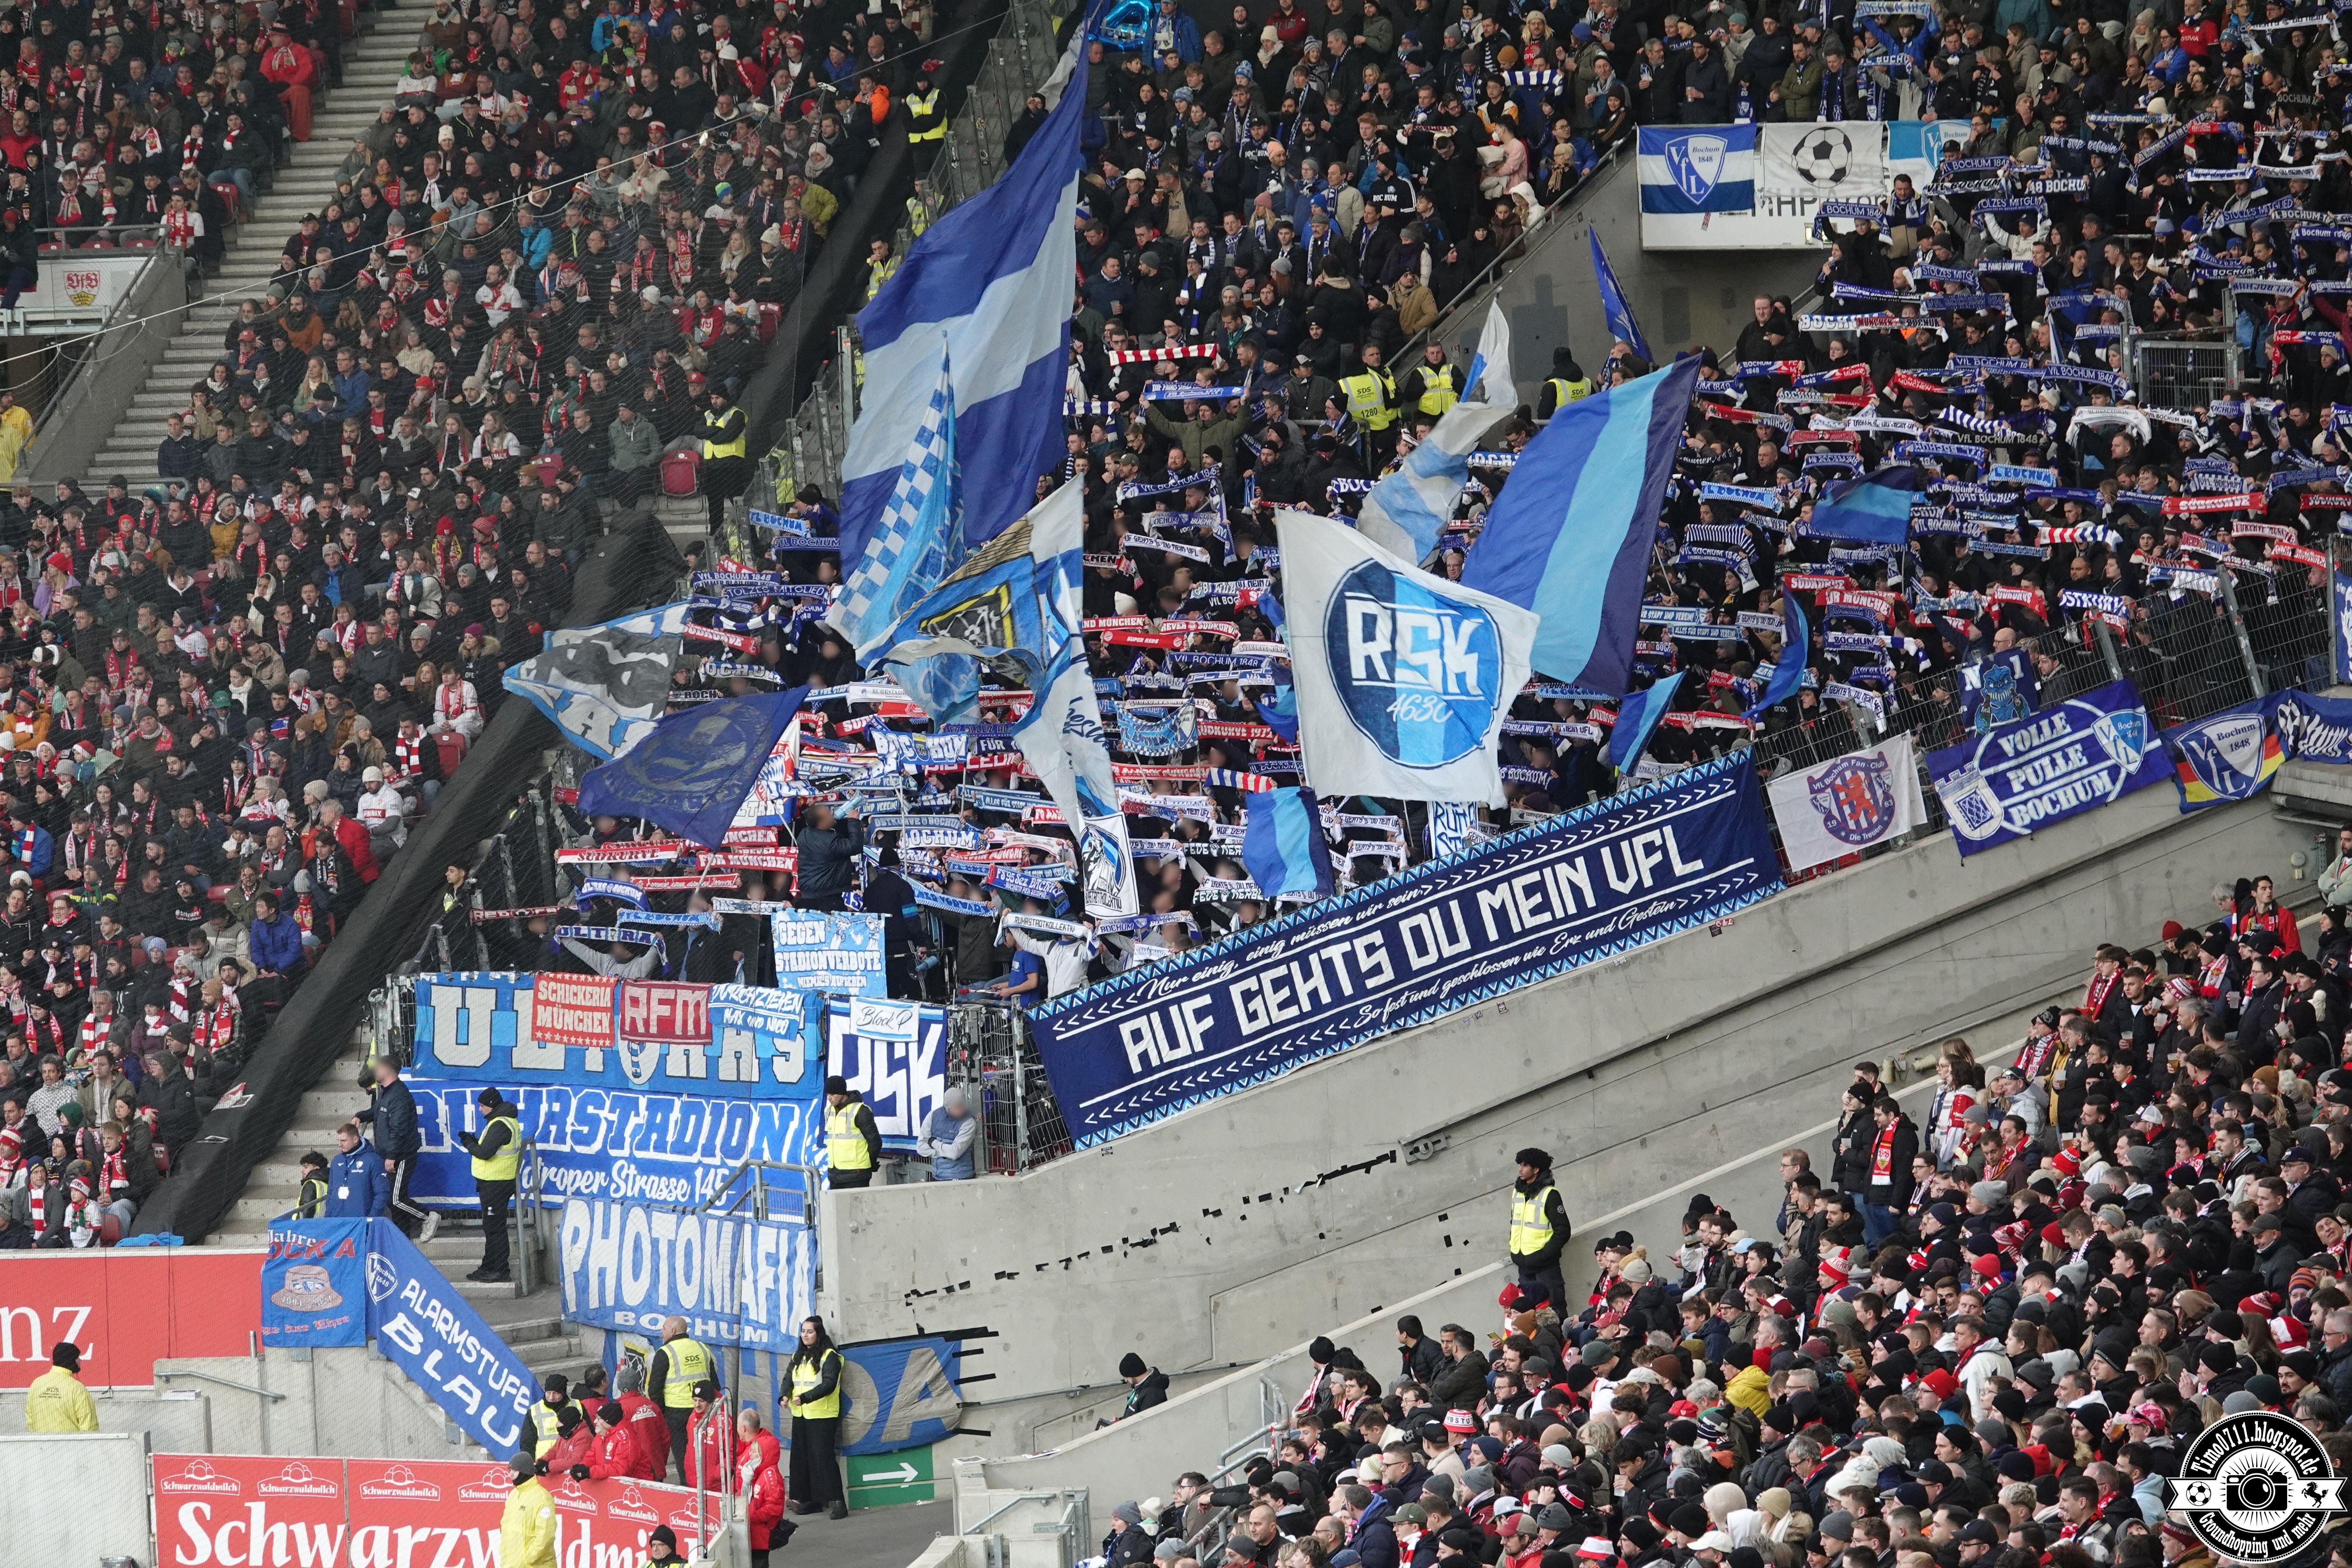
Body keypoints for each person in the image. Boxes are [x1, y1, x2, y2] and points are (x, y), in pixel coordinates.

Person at [355, 1054, 428, 1238]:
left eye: (378, 1067)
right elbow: (377, 1112)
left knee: (395, 1198)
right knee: (392, 1199)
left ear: (388, 1069)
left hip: (401, 1155)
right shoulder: (386, 1092)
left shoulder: (400, 1096)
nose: (375, 1071)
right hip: (389, 1154)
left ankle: (428, 1217)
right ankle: (402, 1236)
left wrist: (393, 1155)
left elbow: (400, 1129)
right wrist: (361, 1116)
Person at [453, 1087, 520, 1283]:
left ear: (491, 1105)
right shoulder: (501, 1121)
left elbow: (484, 1153)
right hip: (495, 1181)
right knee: (491, 1227)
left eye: (482, 1106)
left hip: (496, 1183)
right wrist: (474, 1141)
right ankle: (489, 1266)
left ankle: (500, 1270)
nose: (480, 1110)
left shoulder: (500, 1124)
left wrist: (468, 1142)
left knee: (495, 1228)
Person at [784, 1314, 848, 1519]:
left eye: (810, 1331)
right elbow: (789, 1379)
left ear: (818, 1333)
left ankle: (838, 1502)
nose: (805, 1335)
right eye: (803, 1331)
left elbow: (829, 1384)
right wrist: (784, 1396)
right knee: (801, 1458)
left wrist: (807, 1397)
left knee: (824, 1458)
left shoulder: (830, 1356)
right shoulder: (798, 1356)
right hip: (801, 1414)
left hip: (822, 1415)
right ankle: (810, 1501)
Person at [648, 1315, 714, 1481]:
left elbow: (654, 1389)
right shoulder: (702, 1348)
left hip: (676, 1414)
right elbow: (715, 1383)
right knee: (707, 1453)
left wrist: (663, 1413)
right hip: (705, 1411)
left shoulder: (665, 1352)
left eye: (663, 1328)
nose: (661, 1333)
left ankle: (689, 1492)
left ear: (673, 1331)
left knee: (683, 1457)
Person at [1505, 1145, 1569, 1313]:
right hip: (1523, 1264)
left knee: (1554, 1308)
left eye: (1525, 1165)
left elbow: (1563, 1230)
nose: (1520, 1169)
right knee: (1527, 1312)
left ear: (1536, 1169)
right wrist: (1515, 1252)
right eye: (1520, 1165)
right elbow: (1515, 1224)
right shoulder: (1517, 1193)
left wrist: (1543, 1256)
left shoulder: (1550, 1194)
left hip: (1545, 1265)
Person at [499, 1454, 558, 1568]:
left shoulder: (542, 1498)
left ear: (524, 1472)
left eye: (515, 1471)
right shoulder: (513, 1496)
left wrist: (529, 1558)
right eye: (510, 1470)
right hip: (512, 1564)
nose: (511, 1474)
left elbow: (546, 1535)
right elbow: (506, 1528)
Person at [24, 1341, 96, 1431]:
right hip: (72, 1444)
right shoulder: (77, 1388)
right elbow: (89, 1427)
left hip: (41, 1443)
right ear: (71, 1360)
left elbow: (30, 1420)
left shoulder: (36, 1384)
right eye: (78, 1357)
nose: (80, 1360)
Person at [823, 1076, 881, 1189]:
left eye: (833, 1094)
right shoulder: (829, 1111)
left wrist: (871, 1163)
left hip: (857, 1175)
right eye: (828, 1094)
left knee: (858, 1207)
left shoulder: (860, 1110)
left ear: (842, 1094)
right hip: (835, 1175)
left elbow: (875, 1141)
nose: (830, 1098)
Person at [323, 1120, 389, 1219]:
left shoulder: (373, 1160)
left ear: (355, 1139)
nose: (340, 1145)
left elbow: (382, 1192)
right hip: (337, 1221)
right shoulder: (336, 1161)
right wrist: (328, 1217)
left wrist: (371, 1218)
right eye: (339, 1141)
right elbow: (331, 1192)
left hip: (361, 1221)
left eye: (344, 1141)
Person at [915, 1086, 977, 1180]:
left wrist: (934, 1143)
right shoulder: (933, 1116)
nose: (962, 1109)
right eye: (958, 1107)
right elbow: (921, 1147)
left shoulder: (969, 1122)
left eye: (963, 1106)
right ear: (948, 1108)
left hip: (961, 1177)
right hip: (937, 1176)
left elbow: (954, 1153)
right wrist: (942, 1153)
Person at [1115, 1351, 1167, 1418]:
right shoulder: (1140, 1386)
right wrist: (1120, 1421)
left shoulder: (1152, 1395)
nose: (1126, 1380)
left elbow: (1147, 1423)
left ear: (1134, 1374)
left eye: (1126, 1377)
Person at [294, 1151, 330, 1218]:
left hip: (310, 1226)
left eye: (306, 1167)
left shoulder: (311, 1184)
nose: (302, 1171)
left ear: (316, 1168)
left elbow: (306, 1211)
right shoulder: (329, 1182)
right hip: (324, 1224)